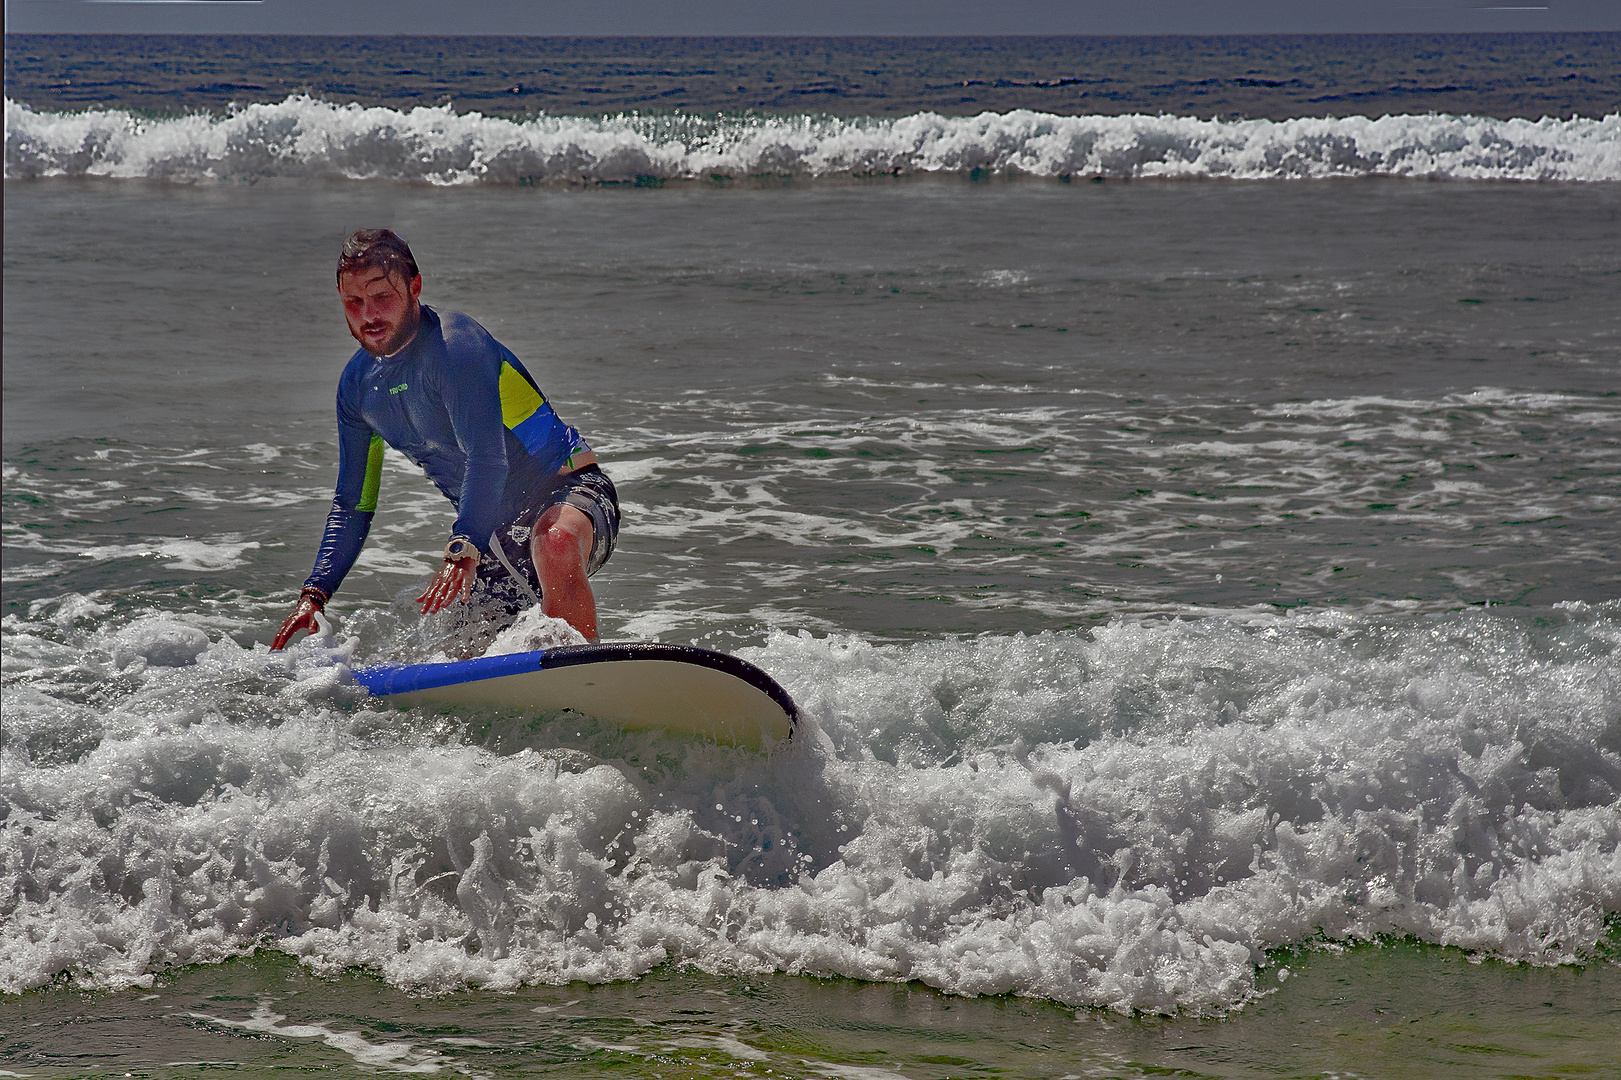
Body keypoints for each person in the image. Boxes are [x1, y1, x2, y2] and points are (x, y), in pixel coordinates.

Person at [272, 229, 617, 650]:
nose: (368, 315)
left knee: (555, 543)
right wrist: (315, 593)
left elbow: (487, 459)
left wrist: (464, 545)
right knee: (460, 657)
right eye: (353, 302)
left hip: (567, 493)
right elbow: (354, 501)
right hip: (491, 533)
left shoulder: (457, 348)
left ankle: (587, 680)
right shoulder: (359, 388)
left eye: (382, 297)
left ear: (414, 286)